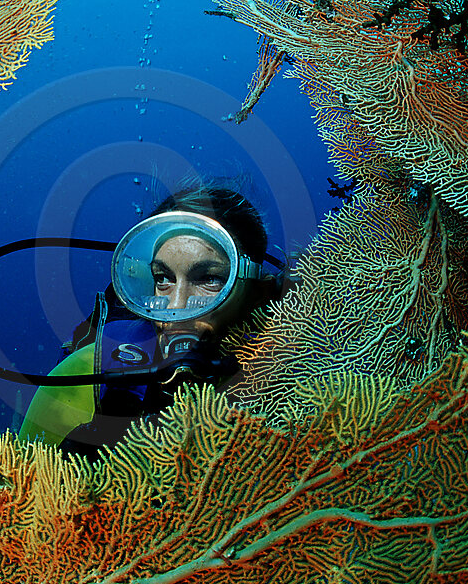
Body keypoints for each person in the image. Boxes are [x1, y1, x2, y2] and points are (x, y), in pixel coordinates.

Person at [18, 183, 278, 460]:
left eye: (209, 279)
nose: (176, 306)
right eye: (162, 278)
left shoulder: (297, 370)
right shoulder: (89, 371)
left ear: (257, 293)